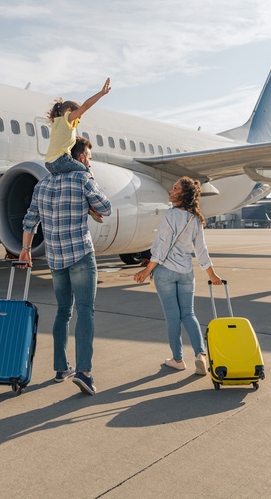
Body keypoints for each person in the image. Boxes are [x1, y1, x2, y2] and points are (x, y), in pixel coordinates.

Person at [20, 136, 111, 395]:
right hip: (81, 255)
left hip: (55, 259)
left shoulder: (43, 183)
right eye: (89, 158)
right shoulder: (83, 178)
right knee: (85, 311)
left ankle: (61, 367)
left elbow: (30, 221)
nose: (89, 162)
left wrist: (26, 250)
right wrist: (90, 177)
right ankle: (84, 371)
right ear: (80, 157)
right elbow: (107, 206)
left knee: (63, 311)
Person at [133, 176, 222, 375]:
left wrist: (147, 270)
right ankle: (201, 355)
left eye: (175, 188)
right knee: (189, 314)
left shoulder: (169, 215)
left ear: (183, 194)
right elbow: (201, 250)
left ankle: (178, 360)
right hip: (186, 272)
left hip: (165, 272)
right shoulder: (195, 218)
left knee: (173, 317)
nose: (171, 191)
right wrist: (212, 274)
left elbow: (162, 247)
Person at [45, 78, 111, 176]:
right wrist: (101, 93)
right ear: (69, 110)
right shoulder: (68, 118)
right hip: (61, 160)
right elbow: (85, 106)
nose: (78, 121)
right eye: (78, 117)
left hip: (49, 163)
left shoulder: (56, 122)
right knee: (88, 173)